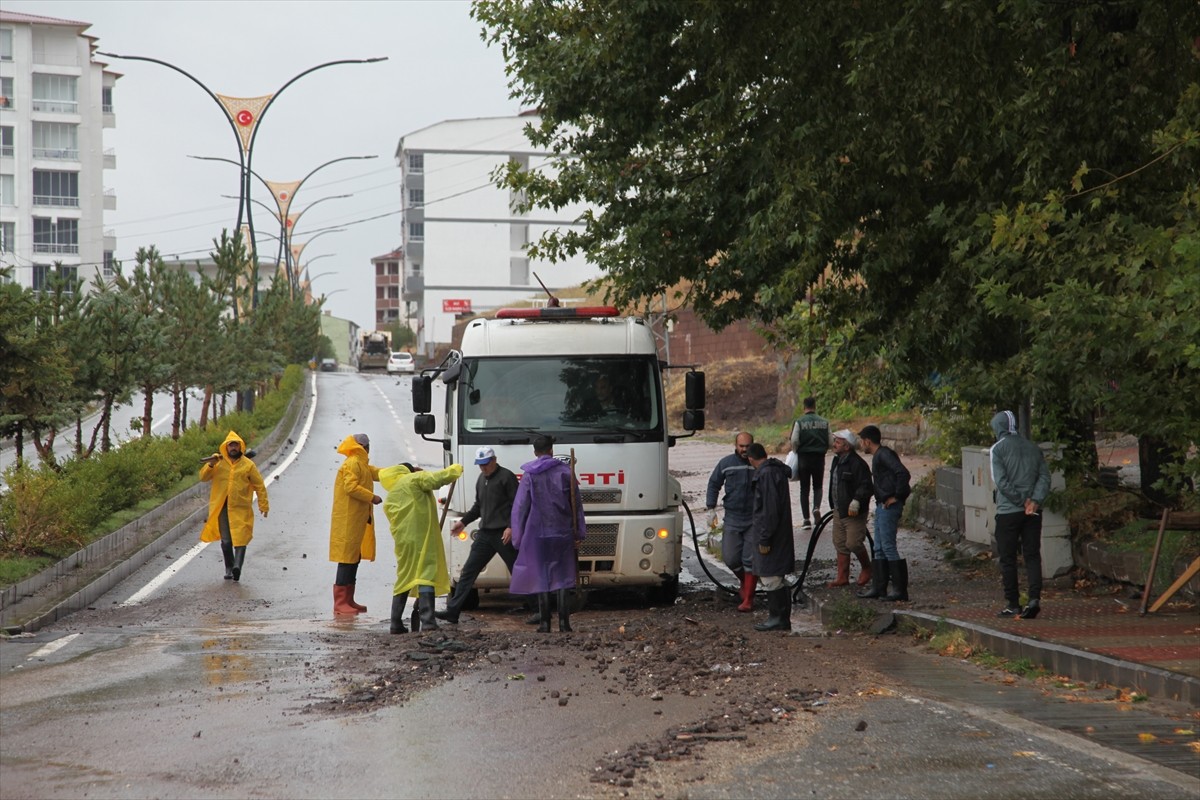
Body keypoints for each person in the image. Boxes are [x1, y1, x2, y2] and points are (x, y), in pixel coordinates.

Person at [509, 435, 587, 632]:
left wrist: (518, 537)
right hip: (561, 531)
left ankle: (544, 623)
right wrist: (579, 533)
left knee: (540, 574)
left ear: (535, 452)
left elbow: (520, 508)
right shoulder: (566, 472)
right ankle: (564, 623)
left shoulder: (529, 475)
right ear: (551, 450)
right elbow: (576, 505)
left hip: (536, 533)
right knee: (562, 576)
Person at [435, 446, 520, 624]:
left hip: (503, 534)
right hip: (485, 534)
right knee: (468, 572)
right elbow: (478, 507)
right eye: (480, 465)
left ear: (494, 460)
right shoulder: (482, 479)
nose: (483, 468)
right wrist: (463, 522)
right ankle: (453, 611)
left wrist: (511, 527)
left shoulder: (507, 477)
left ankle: (537, 608)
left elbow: (517, 505)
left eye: (486, 464)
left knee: (518, 570)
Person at [380, 460, 464, 634]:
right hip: (422, 538)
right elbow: (436, 479)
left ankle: (395, 624)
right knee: (426, 574)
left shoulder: (392, 494)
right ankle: (427, 621)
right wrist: (455, 470)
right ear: (409, 471)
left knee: (405, 577)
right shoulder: (413, 480)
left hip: (404, 542)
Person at [990, 410, 1051, 619]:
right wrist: (1034, 500)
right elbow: (1044, 477)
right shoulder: (1033, 448)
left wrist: (1019, 500)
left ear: (998, 427)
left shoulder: (997, 450)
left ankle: (1013, 603)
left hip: (1008, 511)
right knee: (1032, 555)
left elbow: (1001, 482)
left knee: (1008, 558)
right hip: (1033, 512)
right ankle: (1034, 598)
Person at [199, 430, 269, 582]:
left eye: (236, 445)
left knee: (241, 537)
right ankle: (229, 567)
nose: (233, 448)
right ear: (226, 447)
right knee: (226, 540)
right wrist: (210, 464)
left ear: (240, 447)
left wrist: (263, 505)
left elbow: (259, 485)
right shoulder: (218, 463)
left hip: (241, 507)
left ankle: (237, 566)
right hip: (222, 507)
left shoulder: (248, 465)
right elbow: (203, 477)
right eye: (231, 445)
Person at [857, 425, 912, 601]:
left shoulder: (884, 455)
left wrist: (897, 496)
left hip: (889, 505)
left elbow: (903, 473)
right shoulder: (878, 456)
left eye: (862, 441)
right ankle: (879, 587)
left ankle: (899, 590)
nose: (861, 445)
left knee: (888, 546)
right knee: (879, 547)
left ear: (867, 441)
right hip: (882, 505)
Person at [328, 434, 382, 615]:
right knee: (346, 560)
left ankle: (349, 600)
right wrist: (371, 497)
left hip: (356, 520)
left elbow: (379, 473)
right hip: (348, 521)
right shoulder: (352, 464)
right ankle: (340, 603)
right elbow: (350, 487)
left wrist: (405, 470)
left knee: (354, 558)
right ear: (364, 447)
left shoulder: (361, 464)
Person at [745, 443, 796, 632]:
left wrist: (765, 539)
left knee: (770, 576)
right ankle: (781, 618)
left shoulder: (765, 475)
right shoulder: (776, 471)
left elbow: (769, 511)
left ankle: (777, 618)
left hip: (771, 536)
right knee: (777, 577)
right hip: (779, 534)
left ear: (751, 459)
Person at [705, 432, 758, 611]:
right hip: (733, 518)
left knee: (749, 560)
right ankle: (745, 581)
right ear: (735, 445)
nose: (744, 450)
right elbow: (714, 484)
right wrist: (710, 508)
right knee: (731, 558)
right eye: (741, 446)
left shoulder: (758, 464)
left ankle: (748, 600)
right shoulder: (726, 464)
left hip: (753, 519)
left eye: (747, 446)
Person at [827, 429, 874, 588]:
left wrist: (857, 500)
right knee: (840, 543)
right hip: (839, 510)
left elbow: (866, 485)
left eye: (838, 442)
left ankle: (867, 568)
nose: (834, 445)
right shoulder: (837, 460)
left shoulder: (857, 464)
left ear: (847, 446)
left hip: (853, 512)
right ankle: (842, 577)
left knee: (853, 543)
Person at [790, 397, 830, 528]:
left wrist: (795, 451)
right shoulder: (824, 422)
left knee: (804, 488)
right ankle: (816, 508)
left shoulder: (799, 422)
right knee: (818, 486)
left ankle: (806, 519)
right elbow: (830, 441)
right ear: (815, 406)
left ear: (804, 407)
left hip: (804, 458)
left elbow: (794, 440)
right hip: (819, 457)